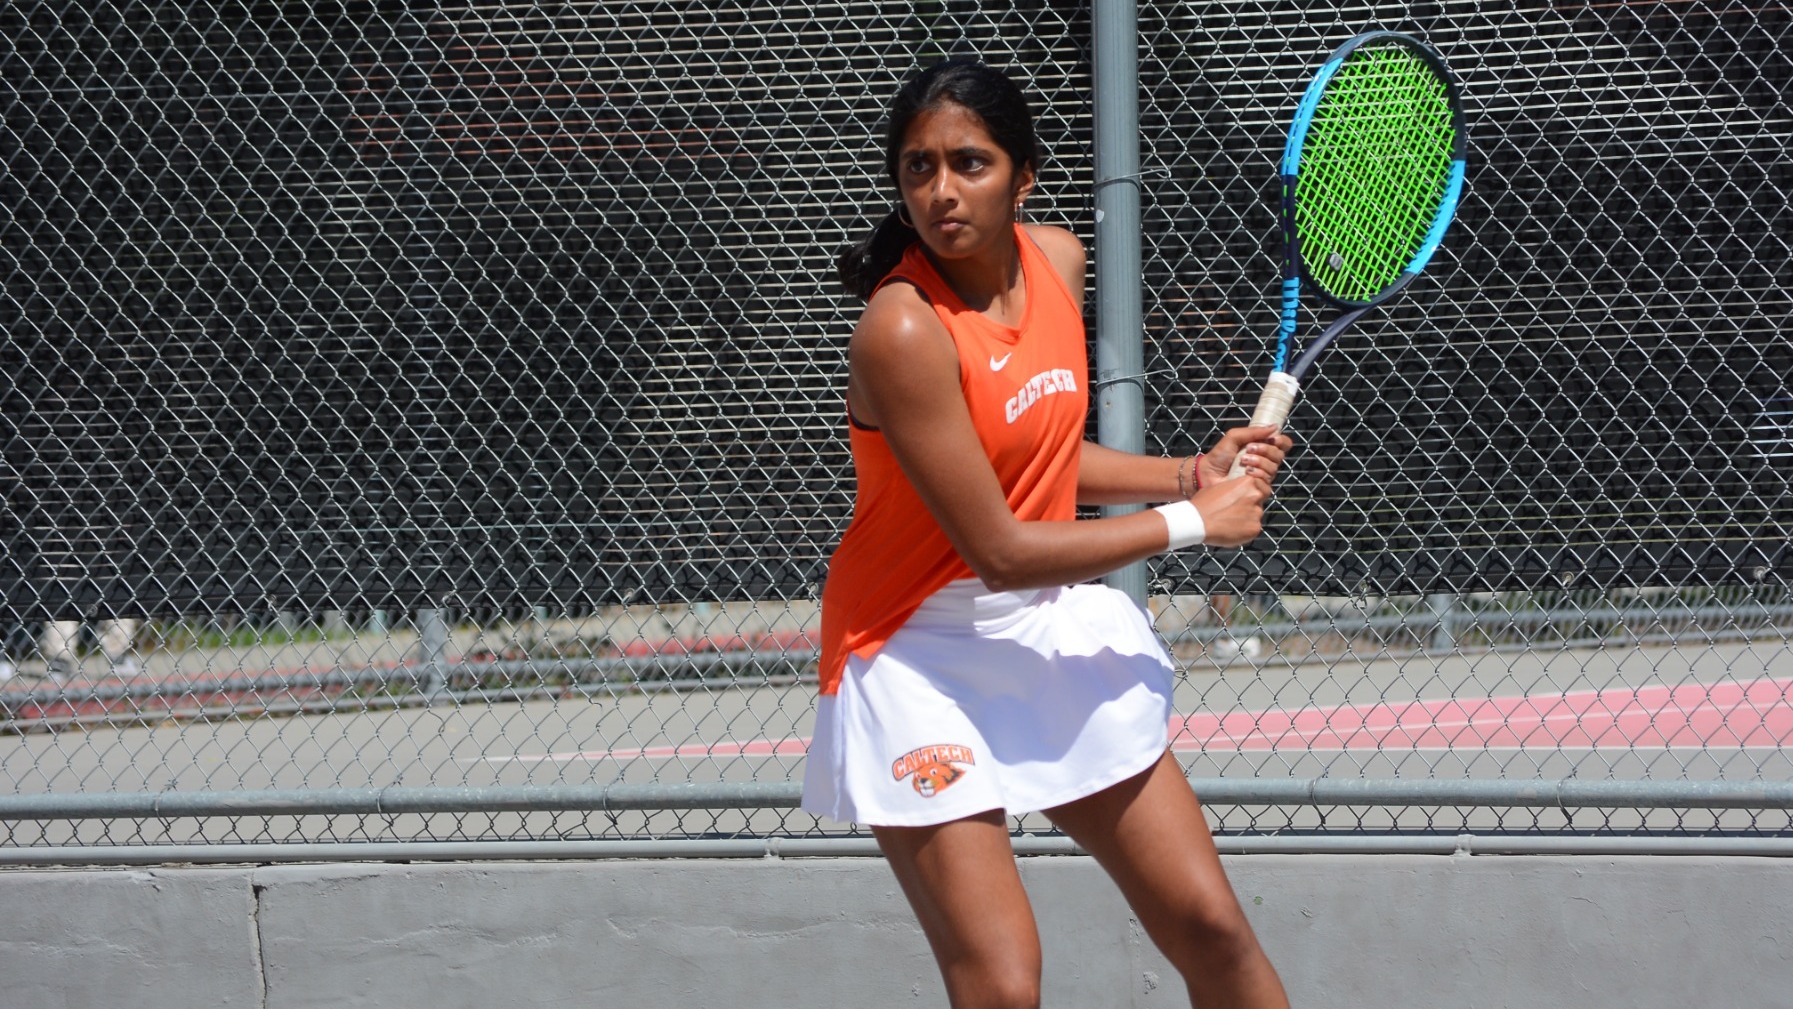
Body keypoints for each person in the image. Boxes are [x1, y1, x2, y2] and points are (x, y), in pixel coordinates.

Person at [800, 60, 1293, 1009]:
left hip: (1038, 627)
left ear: (1024, 176)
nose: (941, 192)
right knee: (1002, 981)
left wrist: (1189, 472)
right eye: (918, 168)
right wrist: (1193, 519)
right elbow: (1000, 544)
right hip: (911, 653)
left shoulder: (1056, 262)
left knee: (1212, 927)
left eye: (970, 164)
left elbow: (1044, 449)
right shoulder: (900, 332)